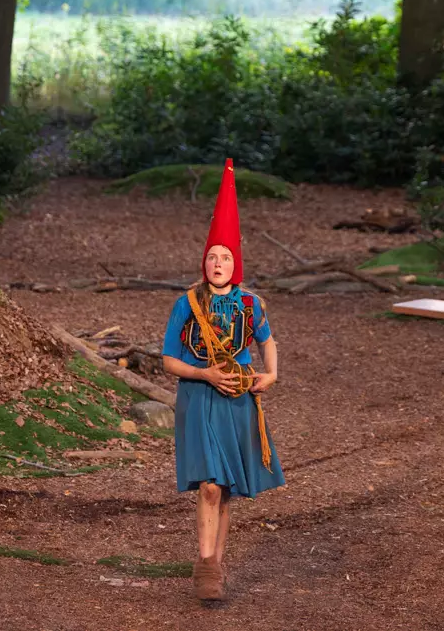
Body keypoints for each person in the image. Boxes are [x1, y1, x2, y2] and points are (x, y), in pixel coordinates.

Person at [158, 159, 284, 604]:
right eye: (212, 256)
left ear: (236, 262)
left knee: (224, 486)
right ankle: (205, 563)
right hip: (199, 398)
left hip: (237, 402)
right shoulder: (186, 304)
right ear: (204, 261)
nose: (217, 263)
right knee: (209, 484)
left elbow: (268, 344)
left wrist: (269, 375)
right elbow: (169, 360)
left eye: (225, 257)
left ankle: (214, 564)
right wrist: (204, 372)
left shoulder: (251, 304)